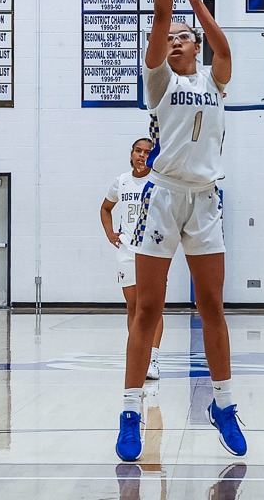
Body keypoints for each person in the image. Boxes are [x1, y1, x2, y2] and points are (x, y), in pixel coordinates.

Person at [117, 0, 242, 462]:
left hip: (206, 199)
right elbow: (160, 16)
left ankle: (224, 404)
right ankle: (130, 411)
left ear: (196, 45)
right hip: (164, 197)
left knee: (212, 305)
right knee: (147, 308)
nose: (174, 40)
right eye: (170, 37)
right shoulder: (160, 82)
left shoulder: (215, 82)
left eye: (184, 36)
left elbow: (225, 48)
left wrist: (199, 4)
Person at [101, 138, 165, 381]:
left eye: (147, 152)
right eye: (138, 151)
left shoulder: (159, 182)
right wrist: (110, 234)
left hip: (153, 251)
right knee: (133, 306)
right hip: (127, 251)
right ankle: (139, 355)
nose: (142, 155)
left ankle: (153, 358)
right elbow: (105, 208)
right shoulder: (121, 181)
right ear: (131, 154)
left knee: (152, 307)